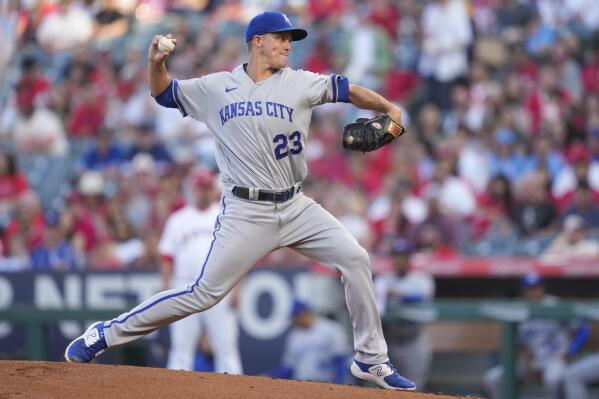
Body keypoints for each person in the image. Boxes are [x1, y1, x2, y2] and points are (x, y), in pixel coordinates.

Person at [65, 11, 415, 391]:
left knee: (356, 259)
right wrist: (156, 63)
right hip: (246, 212)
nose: (287, 45)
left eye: (290, 40)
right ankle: (105, 333)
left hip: (296, 206)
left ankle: (371, 359)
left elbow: (348, 89)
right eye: (280, 38)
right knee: (202, 294)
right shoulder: (217, 87)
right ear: (257, 41)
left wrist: (390, 111)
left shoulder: (300, 82)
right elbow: (164, 93)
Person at [158, 171, 242, 374]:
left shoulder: (225, 215)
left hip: (219, 287)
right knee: (181, 346)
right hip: (184, 286)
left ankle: (235, 392)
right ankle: (175, 392)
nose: (202, 193)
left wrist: (238, 288)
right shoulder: (177, 220)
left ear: (212, 190)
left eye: (206, 188)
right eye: (199, 188)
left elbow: (238, 256)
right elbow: (166, 257)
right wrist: (166, 287)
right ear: (192, 190)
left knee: (226, 346)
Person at [483, 273, 587, 399]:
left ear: (542, 287)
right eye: (530, 288)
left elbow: (583, 329)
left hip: (554, 360)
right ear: (523, 290)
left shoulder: (555, 305)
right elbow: (519, 342)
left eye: (537, 287)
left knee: (554, 379)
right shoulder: (518, 308)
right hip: (530, 362)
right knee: (493, 378)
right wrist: (527, 363)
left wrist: (569, 352)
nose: (534, 291)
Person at [374, 238, 435, 389]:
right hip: (390, 342)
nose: (398, 260)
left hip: (413, 342)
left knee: (413, 388)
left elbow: (422, 296)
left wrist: (398, 294)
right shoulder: (383, 280)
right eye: (395, 256)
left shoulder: (422, 279)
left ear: (409, 258)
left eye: (402, 256)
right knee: (386, 390)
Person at [267, 299, 350, 384]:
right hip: (300, 384)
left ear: (303, 313)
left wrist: (340, 384)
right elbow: (289, 368)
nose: (293, 321)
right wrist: (267, 377)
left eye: (295, 317)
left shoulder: (332, 329)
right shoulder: (294, 335)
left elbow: (340, 360)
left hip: (325, 383)